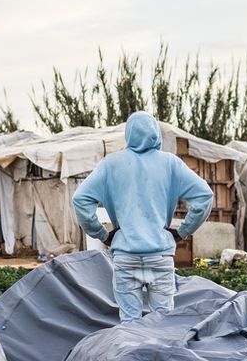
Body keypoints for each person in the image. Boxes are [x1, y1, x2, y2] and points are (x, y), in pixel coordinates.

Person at [73, 111, 214, 322]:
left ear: (128, 133)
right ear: (155, 133)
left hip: (125, 257)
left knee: (130, 323)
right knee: (162, 323)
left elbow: (80, 199)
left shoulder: (110, 164)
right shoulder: (170, 163)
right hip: (160, 256)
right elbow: (204, 196)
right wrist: (183, 231)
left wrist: (102, 234)